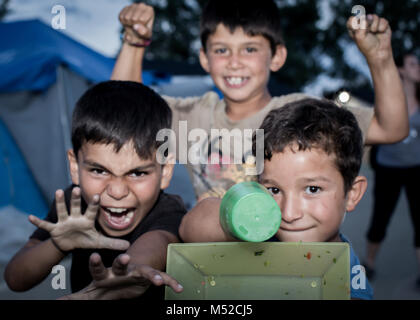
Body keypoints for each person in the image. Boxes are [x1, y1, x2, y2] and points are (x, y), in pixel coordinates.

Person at [111, 0, 408, 202]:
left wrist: (380, 59)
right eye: (221, 50)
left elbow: (390, 128)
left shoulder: (301, 112)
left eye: (250, 49)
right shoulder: (192, 116)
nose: (235, 62)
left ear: (277, 57)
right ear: (204, 58)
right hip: (211, 263)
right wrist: (134, 42)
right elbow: (123, 110)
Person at [4, 81, 185, 300]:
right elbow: (15, 279)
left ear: (165, 172)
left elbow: (158, 242)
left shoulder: (168, 210)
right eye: (99, 170)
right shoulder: (73, 205)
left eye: (137, 173)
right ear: (74, 166)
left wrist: (129, 270)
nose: (117, 191)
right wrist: (57, 245)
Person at [179, 98, 374, 299]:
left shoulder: (351, 286)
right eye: (273, 190)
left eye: (312, 189)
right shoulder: (259, 233)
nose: (288, 213)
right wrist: (244, 218)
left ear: (352, 194)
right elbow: (189, 228)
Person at [363, 52, 420, 288]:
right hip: (389, 169)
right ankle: (369, 263)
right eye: (413, 64)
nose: (418, 68)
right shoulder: (387, 100)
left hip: (416, 170)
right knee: (380, 219)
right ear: (401, 70)